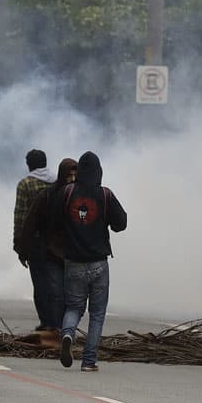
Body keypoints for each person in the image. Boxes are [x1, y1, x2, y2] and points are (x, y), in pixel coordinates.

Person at [58, 151, 127, 372]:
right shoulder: (105, 194)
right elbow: (121, 223)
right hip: (98, 263)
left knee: (74, 307)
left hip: (73, 261)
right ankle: (89, 361)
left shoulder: (67, 193)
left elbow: (55, 221)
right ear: (99, 171)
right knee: (97, 314)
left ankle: (68, 333)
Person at [15, 157, 78, 336]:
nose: (72, 179)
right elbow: (29, 222)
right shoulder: (49, 194)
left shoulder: (80, 196)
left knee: (67, 295)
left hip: (73, 253)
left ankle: (60, 328)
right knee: (55, 292)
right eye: (69, 175)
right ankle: (57, 329)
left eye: (75, 175)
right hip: (51, 251)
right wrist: (22, 249)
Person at [13, 149, 57, 330]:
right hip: (57, 242)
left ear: (29, 165)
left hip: (36, 242)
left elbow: (21, 216)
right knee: (55, 281)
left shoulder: (25, 184)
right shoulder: (58, 181)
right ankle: (58, 322)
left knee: (40, 283)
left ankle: (46, 322)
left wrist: (19, 245)